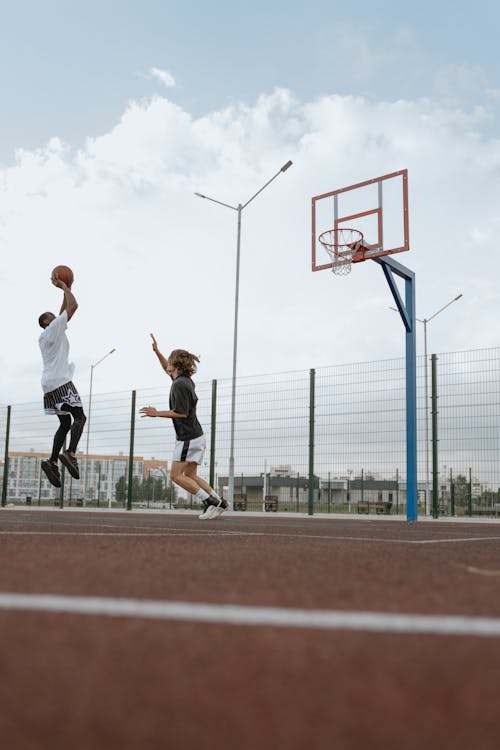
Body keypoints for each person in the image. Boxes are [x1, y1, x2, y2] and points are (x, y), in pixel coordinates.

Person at [140, 335, 227, 520]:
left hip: (188, 437)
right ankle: (220, 501)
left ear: (176, 366)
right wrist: (157, 352)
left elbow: (181, 412)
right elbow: (166, 368)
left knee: (176, 476)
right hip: (196, 435)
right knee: (190, 474)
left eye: (170, 361)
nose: (167, 364)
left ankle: (210, 501)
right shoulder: (182, 380)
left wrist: (156, 413)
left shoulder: (179, 385)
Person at [38, 271, 86, 488]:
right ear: (48, 321)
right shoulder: (52, 329)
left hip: (49, 385)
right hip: (60, 381)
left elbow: (62, 312)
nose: (57, 317)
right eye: (52, 316)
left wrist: (63, 290)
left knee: (65, 422)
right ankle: (70, 453)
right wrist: (65, 288)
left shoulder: (50, 333)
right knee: (80, 418)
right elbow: (73, 306)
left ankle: (52, 461)